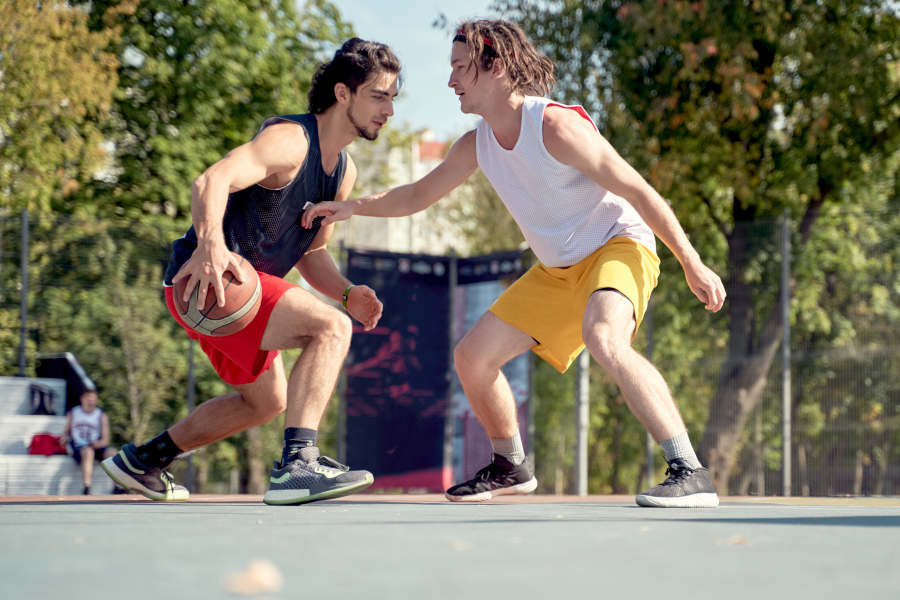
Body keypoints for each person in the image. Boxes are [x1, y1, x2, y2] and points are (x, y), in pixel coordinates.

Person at [302, 20, 727, 508]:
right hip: (557, 268)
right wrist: (354, 207)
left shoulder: (556, 127)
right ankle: (510, 464)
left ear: (495, 66)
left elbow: (637, 189)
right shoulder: (477, 143)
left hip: (617, 244)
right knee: (472, 357)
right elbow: (419, 193)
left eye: (460, 68)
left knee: (604, 336)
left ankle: (689, 470)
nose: (450, 80)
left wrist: (692, 263)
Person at [102, 38, 398, 505]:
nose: (389, 110)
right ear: (344, 94)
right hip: (205, 280)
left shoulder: (343, 172)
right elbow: (211, 179)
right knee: (331, 330)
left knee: (267, 402)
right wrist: (211, 244)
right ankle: (298, 465)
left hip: (240, 294)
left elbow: (312, 252)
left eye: (393, 99)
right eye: (379, 96)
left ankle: (143, 461)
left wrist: (345, 293)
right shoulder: (290, 141)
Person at [62, 389, 117, 495]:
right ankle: (86, 487)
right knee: (88, 452)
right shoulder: (73, 413)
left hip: (96, 445)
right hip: (79, 447)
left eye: (93, 399)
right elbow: (65, 432)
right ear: (82, 399)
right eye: (88, 398)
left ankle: (118, 486)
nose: (91, 401)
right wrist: (63, 438)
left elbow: (105, 440)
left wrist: (96, 444)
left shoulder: (101, 415)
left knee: (113, 453)